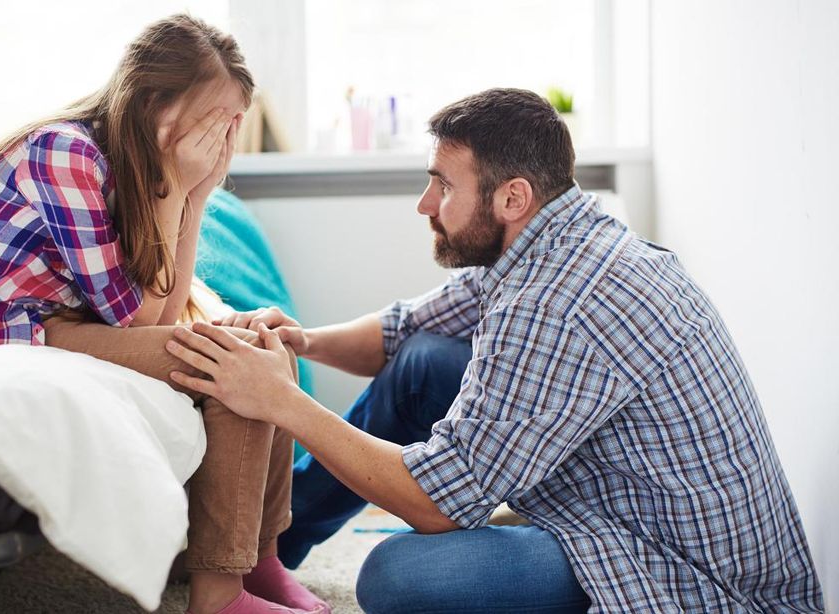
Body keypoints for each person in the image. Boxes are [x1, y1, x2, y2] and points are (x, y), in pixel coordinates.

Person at [165, 88, 825, 612]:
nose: (427, 203)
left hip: (682, 572)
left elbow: (437, 502)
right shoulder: (555, 236)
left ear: (512, 197)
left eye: (444, 186)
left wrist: (281, 402)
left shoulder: (557, 300)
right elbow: (404, 329)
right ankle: (268, 549)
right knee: (423, 359)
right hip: (623, 495)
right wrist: (302, 340)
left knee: (396, 578)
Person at [0, 15, 327, 614]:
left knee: (268, 353)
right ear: (154, 102)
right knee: (236, 373)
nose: (220, 139)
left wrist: (197, 193)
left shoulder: (129, 162)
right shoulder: (65, 153)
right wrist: (176, 186)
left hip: (66, 323)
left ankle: (261, 562)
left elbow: (160, 307)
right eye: (211, 121)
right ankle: (217, 599)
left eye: (231, 126)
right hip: (8, 333)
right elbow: (136, 321)